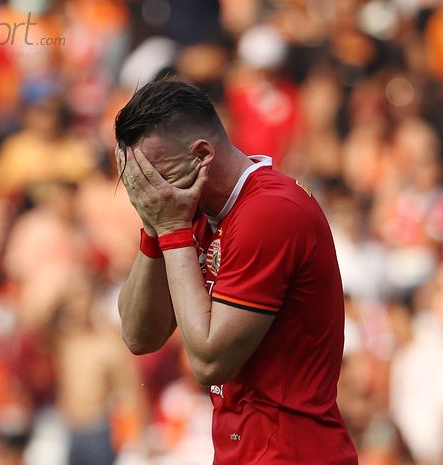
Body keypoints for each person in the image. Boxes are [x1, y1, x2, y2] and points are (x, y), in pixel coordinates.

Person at [115, 79, 358, 465]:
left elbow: (211, 362)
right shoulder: (190, 210)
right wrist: (153, 227)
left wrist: (172, 229)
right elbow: (138, 335)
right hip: (245, 452)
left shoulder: (270, 213)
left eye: (155, 176)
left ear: (201, 155)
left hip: (292, 454)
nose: (148, 191)